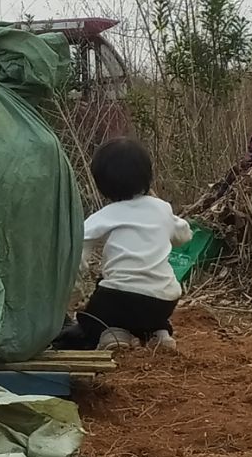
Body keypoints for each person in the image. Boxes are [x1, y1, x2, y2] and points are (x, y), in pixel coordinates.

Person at [55, 137, 193, 351]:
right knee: (146, 309)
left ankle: (113, 335)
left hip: (118, 297)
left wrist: (77, 278)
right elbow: (183, 234)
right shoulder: (161, 208)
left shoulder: (105, 215)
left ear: (101, 184)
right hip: (165, 300)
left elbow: (77, 246)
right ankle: (159, 334)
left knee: (91, 317)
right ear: (148, 175)